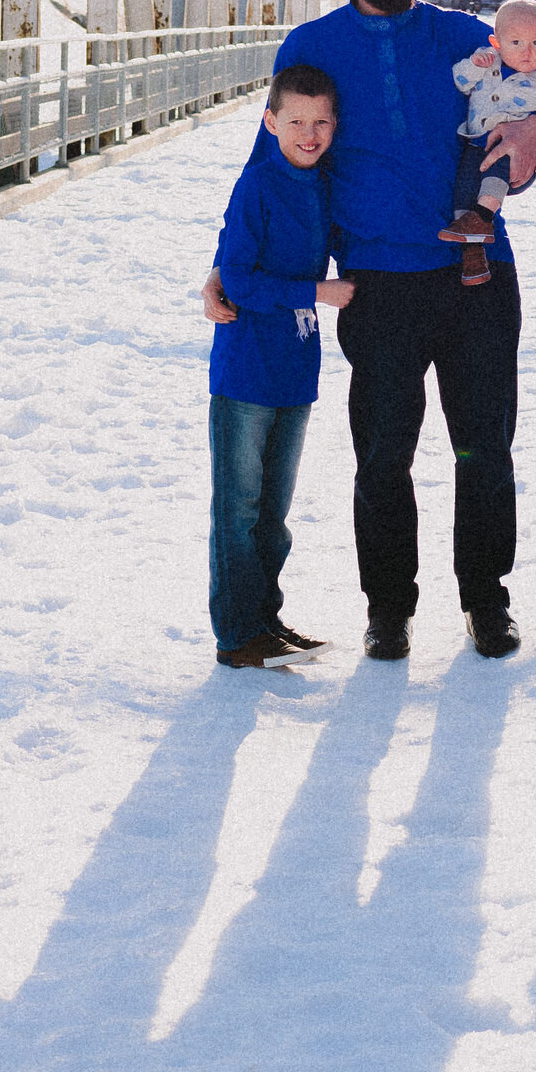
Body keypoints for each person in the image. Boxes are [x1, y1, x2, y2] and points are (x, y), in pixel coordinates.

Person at [202, 0, 536, 663]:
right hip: (377, 285)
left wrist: (534, 130)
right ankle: (388, 608)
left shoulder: (471, 41)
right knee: (383, 456)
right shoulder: (313, 45)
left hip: (476, 275)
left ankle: (485, 599)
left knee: (482, 447)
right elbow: (278, 162)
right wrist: (230, 262)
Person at [207, 65, 353, 671]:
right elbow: (237, 277)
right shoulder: (258, 186)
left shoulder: (323, 185)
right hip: (247, 370)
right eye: (296, 121)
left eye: (321, 122)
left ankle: (266, 618)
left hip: (295, 369)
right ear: (270, 123)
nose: (309, 133)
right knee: (238, 509)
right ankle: (238, 635)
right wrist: (315, 292)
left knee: (274, 511)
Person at [440, 0, 536, 288]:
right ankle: (472, 255)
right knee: (462, 192)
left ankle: (484, 214)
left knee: (499, 168)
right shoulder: (487, 63)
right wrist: (474, 64)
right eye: (516, 43)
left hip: (510, 151)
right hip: (475, 141)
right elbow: (460, 82)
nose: (527, 51)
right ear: (497, 42)